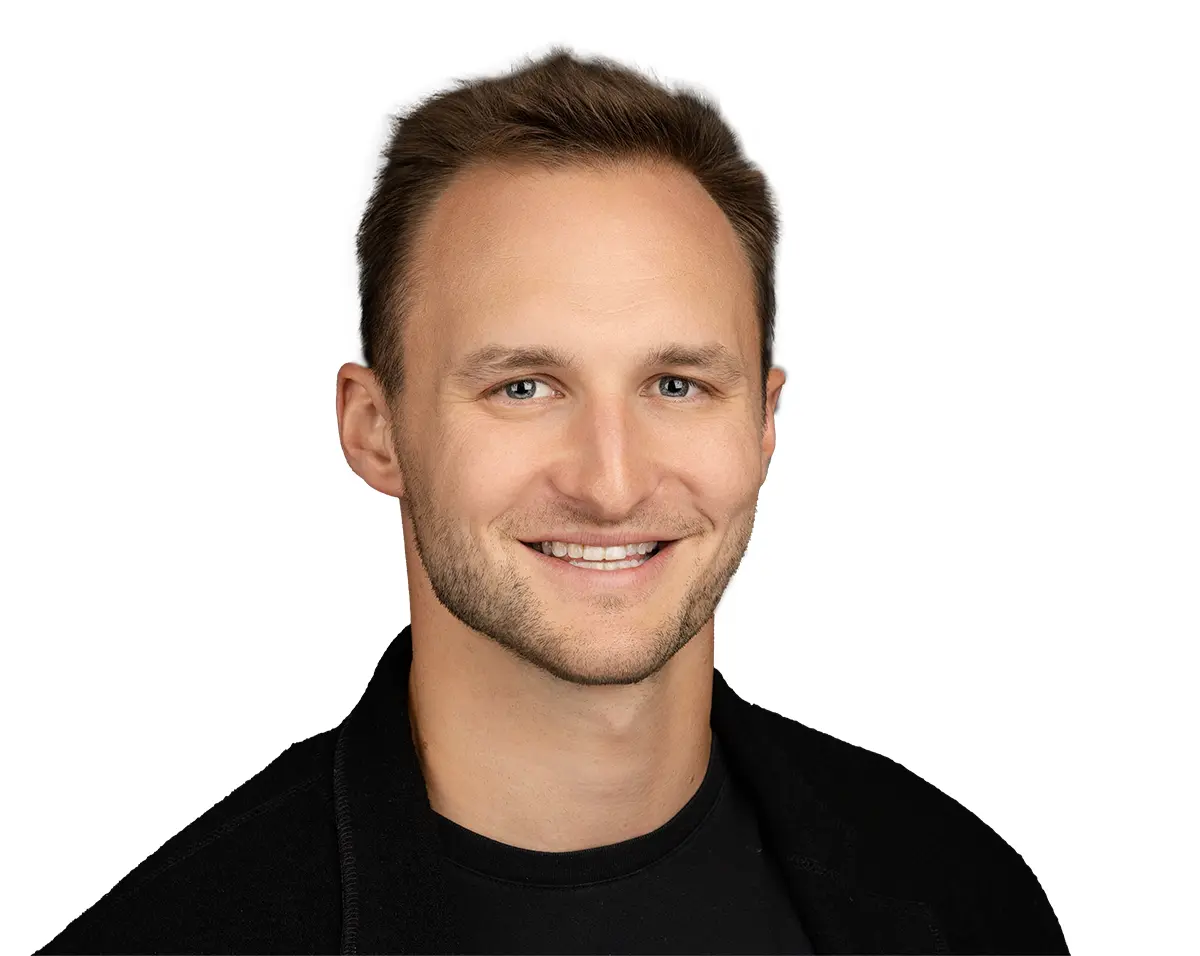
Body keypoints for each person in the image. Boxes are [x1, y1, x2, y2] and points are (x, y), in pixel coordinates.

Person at [38, 47, 1069, 955]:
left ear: (764, 421)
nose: (611, 483)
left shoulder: (963, 894)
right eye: (523, 387)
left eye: (678, 384)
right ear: (374, 428)